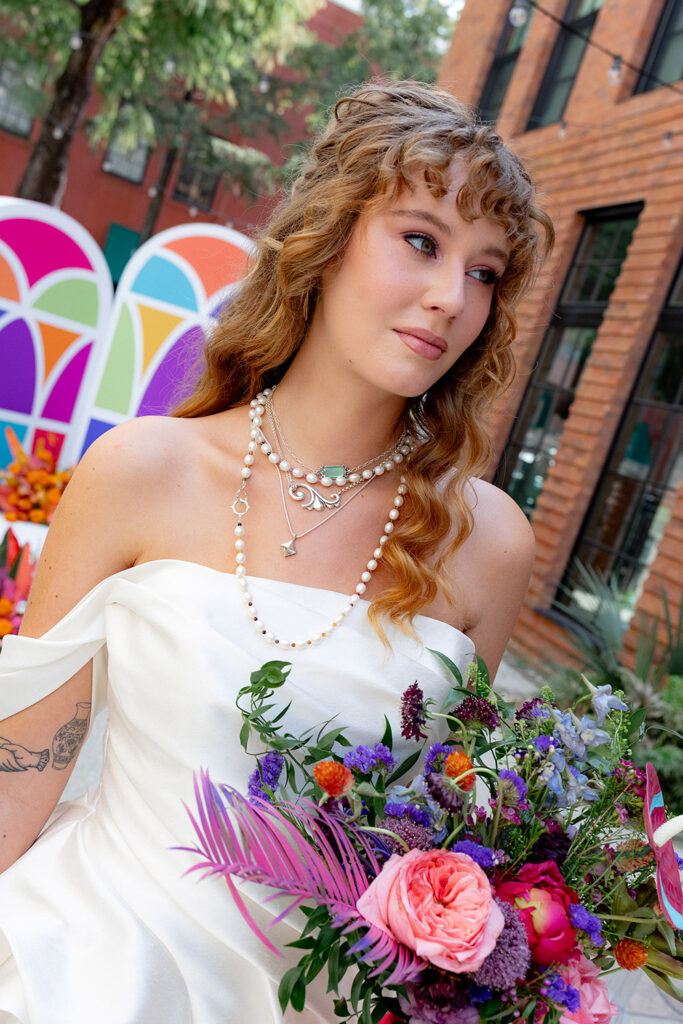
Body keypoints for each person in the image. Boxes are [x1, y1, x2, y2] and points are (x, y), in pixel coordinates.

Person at [0, 80, 553, 1023]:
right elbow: (22, 765)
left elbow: (447, 842)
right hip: (86, 974)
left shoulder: (487, 541)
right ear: (328, 239)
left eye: (485, 271)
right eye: (420, 240)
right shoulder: (142, 470)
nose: (449, 297)